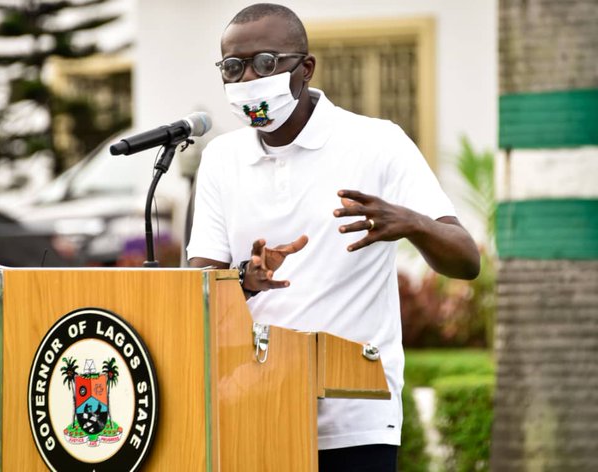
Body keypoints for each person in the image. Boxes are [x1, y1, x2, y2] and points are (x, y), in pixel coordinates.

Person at [187, 3, 480, 471]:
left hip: (356, 417)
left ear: (306, 68)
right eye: (233, 66)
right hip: (253, 409)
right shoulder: (222, 158)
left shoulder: (377, 142)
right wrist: (245, 278)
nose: (248, 79)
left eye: (265, 63)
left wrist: (413, 223)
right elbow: (198, 290)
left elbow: (466, 260)